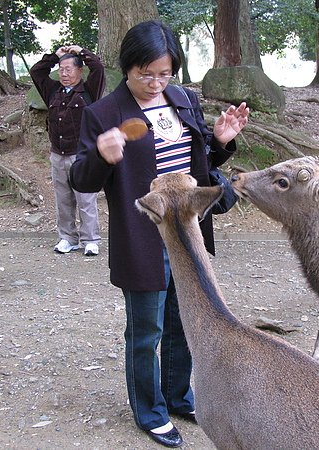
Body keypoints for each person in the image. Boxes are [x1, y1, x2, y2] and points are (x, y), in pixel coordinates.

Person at [69, 21, 249, 448]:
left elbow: (199, 156)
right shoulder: (104, 114)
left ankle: (177, 395)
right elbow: (81, 179)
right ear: (127, 68)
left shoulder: (182, 99)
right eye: (145, 74)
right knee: (146, 329)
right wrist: (102, 156)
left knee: (184, 321)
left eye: (164, 74)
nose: (155, 83)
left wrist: (221, 141)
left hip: (188, 234)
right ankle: (149, 411)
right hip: (143, 238)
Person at [30, 44, 105, 256]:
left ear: (80, 71)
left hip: (82, 155)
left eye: (69, 69)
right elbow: (37, 71)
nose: (64, 73)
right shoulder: (53, 91)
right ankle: (67, 238)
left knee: (86, 198)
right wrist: (55, 56)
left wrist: (81, 52)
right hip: (57, 154)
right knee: (63, 199)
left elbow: (98, 68)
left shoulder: (89, 90)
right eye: (61, 69)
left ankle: (90, 240)